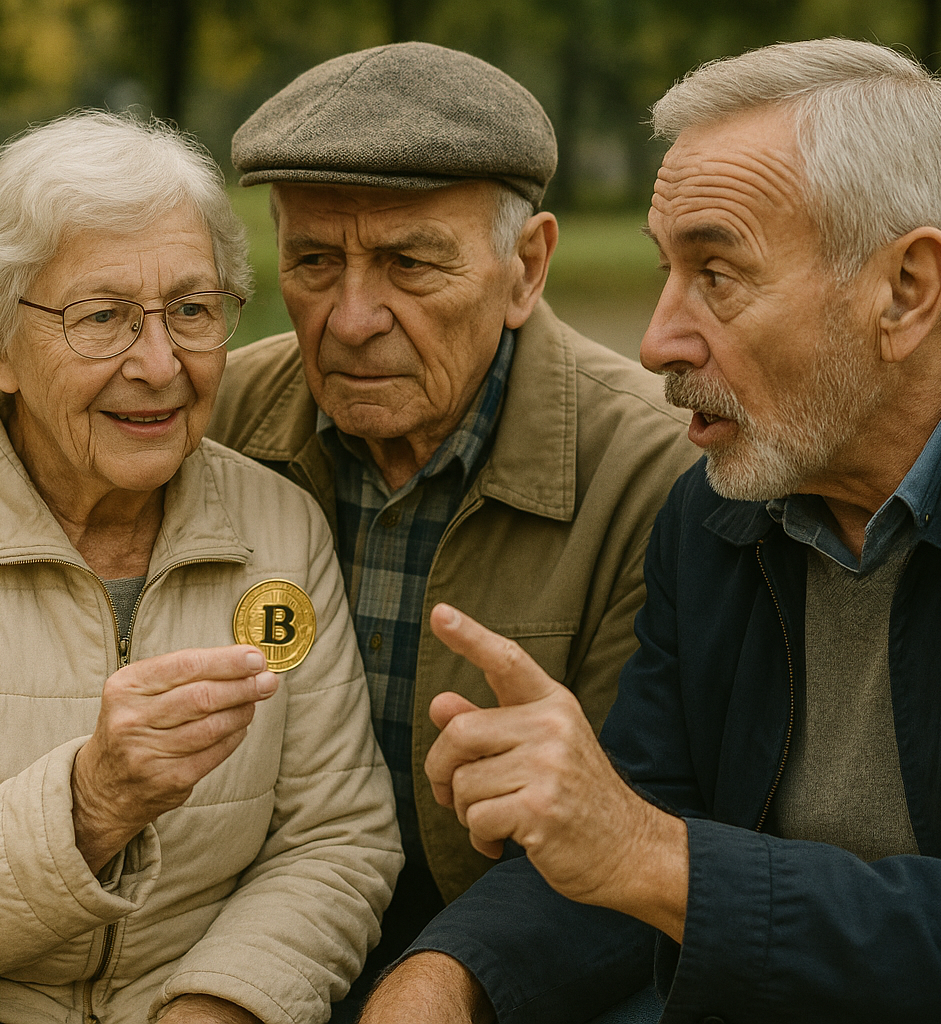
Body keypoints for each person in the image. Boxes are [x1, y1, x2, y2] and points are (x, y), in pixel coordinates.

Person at [363, 37, 941, 1024]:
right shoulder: (718, 508)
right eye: (667, 270)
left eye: (718, 273)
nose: (660, 338)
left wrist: (651, 856)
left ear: (906, 289)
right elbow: (624, 829)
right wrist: (445, 977)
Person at [0, 111, 402, 1024]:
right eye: (101, 317)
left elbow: (336, 842)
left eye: (191, 310)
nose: (158, 364)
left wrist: (221, 1005)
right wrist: (89, 803)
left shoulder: (279, 529)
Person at [206, 41, 698, 1002]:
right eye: (312, 260)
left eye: (409, 262)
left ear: (527, 267)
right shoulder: (210, 425)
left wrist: (453, 979)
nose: (351, 318)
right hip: (248, 941)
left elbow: (645, 831)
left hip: (534, 968)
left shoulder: (657, 473)